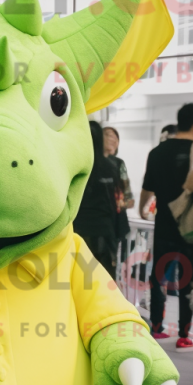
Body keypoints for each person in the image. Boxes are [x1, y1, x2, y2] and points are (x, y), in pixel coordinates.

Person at [139, 103, 193, 351]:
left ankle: (156, 328)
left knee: (159, 277)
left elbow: (148, 188)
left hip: (164, 225)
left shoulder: (157, 152)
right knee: (188, 281)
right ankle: (184, 336)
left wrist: (142, 209)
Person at [74, 120, 121, 279]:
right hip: (104, 231)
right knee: (103, 277)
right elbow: (114, 202)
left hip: (77, 230)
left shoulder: (76, 165)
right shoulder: (110, 167)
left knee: (79, 277)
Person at [102, 123, 133, 256]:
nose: (113, 139)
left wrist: (121, 203)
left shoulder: (118, 164)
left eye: (116, 137)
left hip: (114, 219)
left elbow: (129, 198)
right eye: (108, 135)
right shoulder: (90, 161)